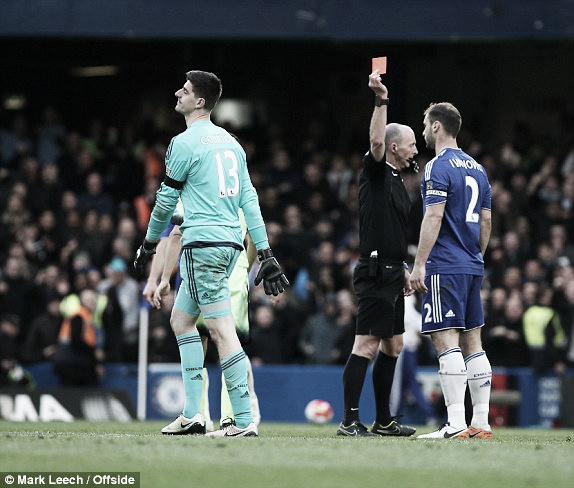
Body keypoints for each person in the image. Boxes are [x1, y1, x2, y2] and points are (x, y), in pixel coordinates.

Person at [133, 70, 288, 437]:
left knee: (220, 330)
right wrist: (265, 251)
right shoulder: (232, 144)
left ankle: (243, 422)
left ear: (199, 101)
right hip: (227, 244)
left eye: (184, 91)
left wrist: (149, 244)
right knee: (182, 322)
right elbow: (249, 199)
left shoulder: (183, 143)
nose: (177, 93)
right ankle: (192, 415)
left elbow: (165, 202)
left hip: (201, 245)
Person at [337, 69, 418, 437]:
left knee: (394, 344)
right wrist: (381, 100)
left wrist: (403, 266)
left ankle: (383, 421)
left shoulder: (400, 181)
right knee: (366, 345)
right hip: (374, 272)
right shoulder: (376, 171)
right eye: (412, 144)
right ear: (395, 147)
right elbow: (374, 141)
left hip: (392, 272)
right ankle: (349, 420)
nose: (416, 149)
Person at [410, 102, 493, 439]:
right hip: (472, 264)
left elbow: (433, 216)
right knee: (474, 341)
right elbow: (486, 220)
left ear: (437, 127)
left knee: (445, 339)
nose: (423, 131)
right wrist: (475, 256)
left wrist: (419, 263)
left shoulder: (437, 167)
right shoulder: (478, 169)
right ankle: (482, 423)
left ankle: (456, 423)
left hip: (445, 264)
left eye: (425, 124)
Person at [150, 200, 262, 429]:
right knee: (228, 339)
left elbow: (174, 234)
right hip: (234, 266)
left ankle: (208, 415)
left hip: (200, 264)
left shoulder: (193, 183)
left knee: (201, 335)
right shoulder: (239, 185)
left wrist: (161, 279)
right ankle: (229, 416)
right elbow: (254, 236)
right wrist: (245, 268)